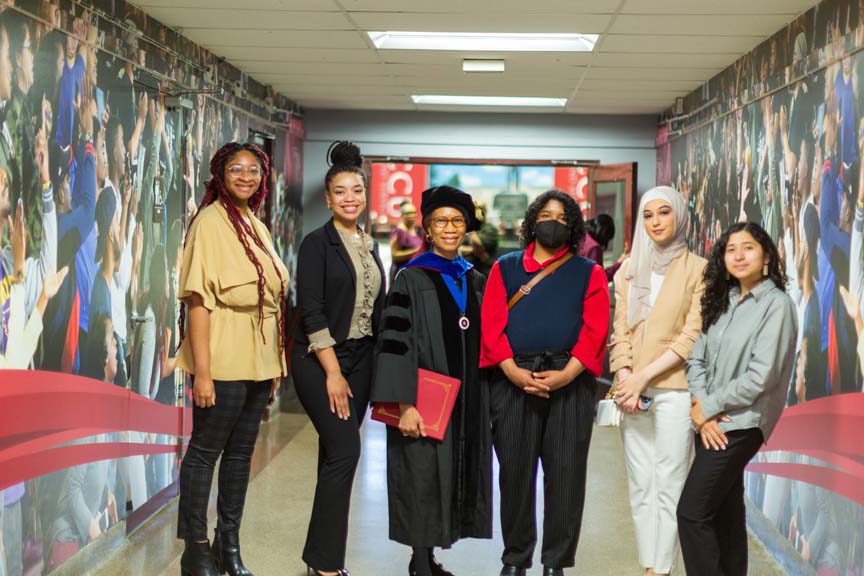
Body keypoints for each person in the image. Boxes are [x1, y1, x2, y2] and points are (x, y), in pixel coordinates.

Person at [480, 190, 610, 576]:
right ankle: (516, 558)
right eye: (546, 214)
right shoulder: (505, 268)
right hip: (513, 377)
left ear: (572, 228)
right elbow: (491, 326)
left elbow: (596, 329)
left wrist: (567, 374)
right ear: (532, 221)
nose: (553, 221)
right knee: (516, 473)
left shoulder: (589, 272)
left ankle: (555, 562)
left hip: (569, 381)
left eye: (562, 217)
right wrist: (511, 371)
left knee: (566, 475)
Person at [175, 142, 288, 576]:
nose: (246, 176)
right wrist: (202, 373)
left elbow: (272, 298)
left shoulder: (254, 223)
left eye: (254, 170)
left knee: (240, 455)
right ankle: (196, 549)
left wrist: (274, 364)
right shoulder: (209, 222)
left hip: (258, 361)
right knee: (205, 452)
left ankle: (229, 544)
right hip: (220, 358)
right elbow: (198, 303)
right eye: (237, 169)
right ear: (220, 174)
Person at [372, 185, 491, 576]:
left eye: (457, 220)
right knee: (421, 474)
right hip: (424, 399)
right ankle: (420, 561)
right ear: (427, 228)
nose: (450, 228)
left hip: (467, 399)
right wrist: (403, 404)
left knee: (451, 471)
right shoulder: (411, 278)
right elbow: (395, 342)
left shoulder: (475, 279)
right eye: (441, 221)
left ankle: (429, 557)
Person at [677, 222, 797, 576]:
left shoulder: (777, 305)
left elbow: (762, 377)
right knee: (725, 513)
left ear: (766, 257)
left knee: (692, 512)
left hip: (743, 422)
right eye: (731, 249)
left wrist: (708, 408)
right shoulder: (722, 299)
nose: (739, 255)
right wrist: (702, 409)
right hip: (710, 420)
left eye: (748, 247)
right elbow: (695, 358)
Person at [292, 141, 385, 576]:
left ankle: (320, 560)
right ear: (327, 199)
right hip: (319, 359)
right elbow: (311, 311)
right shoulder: (316, 244)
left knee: (334, 455)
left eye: (357, 191)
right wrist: (332, 372)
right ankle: (326, 567)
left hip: (362, 358)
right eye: (341, 191)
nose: (350, 198)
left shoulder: (370, 245)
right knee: (346, 448)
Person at [608, 186, 706, 576]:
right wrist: (624, 374)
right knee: (640, 485)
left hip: (675, 391)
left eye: (664, 213)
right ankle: (648, 564)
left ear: (679, 216)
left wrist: (643, 376)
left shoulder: (700, 269)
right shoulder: (630, 268)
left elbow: (691, 335)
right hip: (633, 390)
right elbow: (621, 330)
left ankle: (661, 569)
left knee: (670, 482)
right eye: (648, 216)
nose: (656, 222)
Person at [580, 213, 626, 282]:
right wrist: (620, 262)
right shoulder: (593, 247)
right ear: (604, 234)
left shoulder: (581, 236)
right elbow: (598, 278)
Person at [389, 200, 425, 285]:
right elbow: (395, 255)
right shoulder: (398, 232)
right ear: (402, 215)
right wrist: (417, 251)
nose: (412, 215)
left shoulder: (416, 231)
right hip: (401, 275)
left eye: (413, 212)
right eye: (408, 213)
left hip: (414, 275)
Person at [460, 200, 499, 278]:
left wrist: (472, 229)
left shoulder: (490, 229)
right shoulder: (463, 229)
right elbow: (459, 248)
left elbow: (479, 246)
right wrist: (472, 250)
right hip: (467, 271)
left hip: (485, 272)